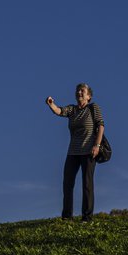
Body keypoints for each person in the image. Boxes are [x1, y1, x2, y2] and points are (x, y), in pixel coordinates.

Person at [45, 83, 105, 222]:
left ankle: (87, 218)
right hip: (73, 151)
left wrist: (97, 145)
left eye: (82, 91)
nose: (79, 93)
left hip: (89, 150)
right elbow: (59, 111)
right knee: (67, 183)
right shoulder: (72, 109)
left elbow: (101, 126)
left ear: (88, 96)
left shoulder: (93, 108)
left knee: (87, 184)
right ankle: (67, 217)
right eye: (77, 91)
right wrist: (51, 104)